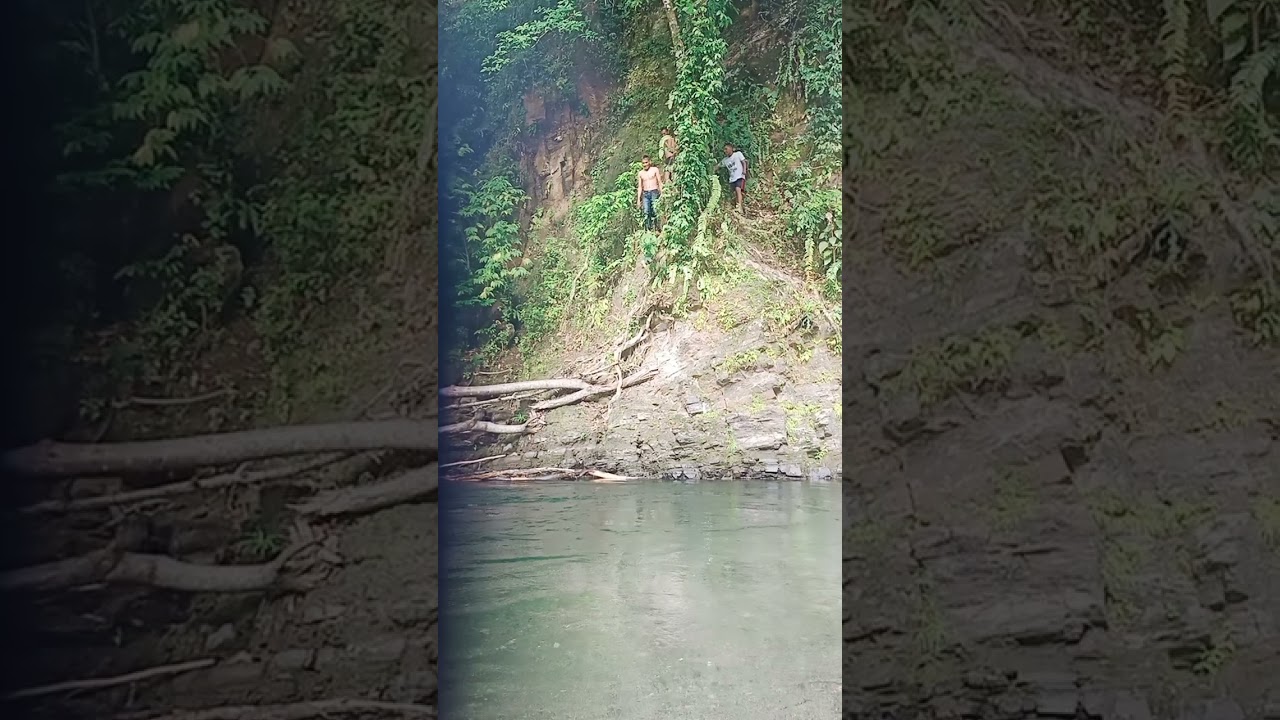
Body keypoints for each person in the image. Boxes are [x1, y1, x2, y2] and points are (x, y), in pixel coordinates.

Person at [636, 155, 663, 231]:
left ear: (650, 162)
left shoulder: (655, 170)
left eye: (646, 162)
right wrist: (638, 199)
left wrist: (662, 193)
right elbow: (640, 186)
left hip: (654, 191)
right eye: (643, 163)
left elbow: (659, 182)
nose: (645, 164)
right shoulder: (641, 173)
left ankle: (658, 229)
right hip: (645, 194)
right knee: (646, 211)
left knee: (655, 210)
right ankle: (648, 229)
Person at [720, 143, 748, 212]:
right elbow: (718, 166)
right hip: (732, 179)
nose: (725, 151)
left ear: (731, 149)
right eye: (724, 149)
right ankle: (738, 206)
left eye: (726, 149)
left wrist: (744, 171)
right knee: (735, 192)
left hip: (740, 176)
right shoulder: (725, 160)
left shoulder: (738, 154)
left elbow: (744, 162)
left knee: (738, 189)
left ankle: (740, 207)